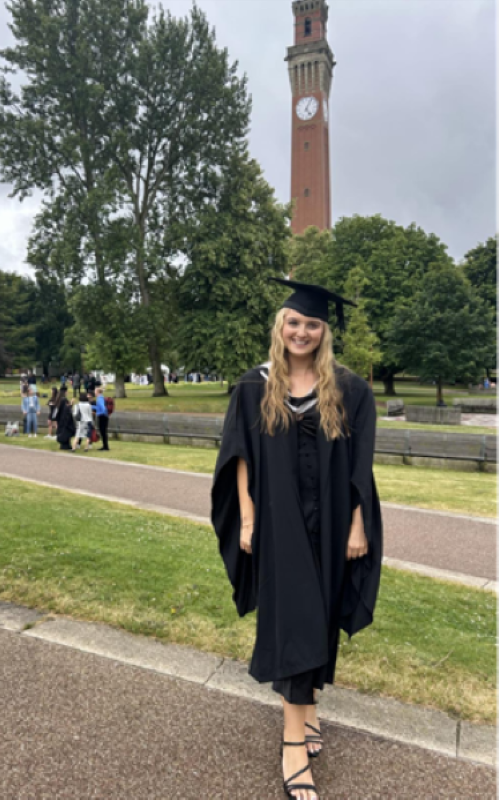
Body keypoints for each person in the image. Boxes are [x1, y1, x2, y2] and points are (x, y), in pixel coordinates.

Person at [211, 280, 383, 800]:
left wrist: (358, 524)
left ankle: (307, 715)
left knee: (322, 615)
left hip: (333, 523)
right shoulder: (253, 387)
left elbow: (360, 465)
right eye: (294, 322)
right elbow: (238, 457)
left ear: (324, 331)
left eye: (312, 324)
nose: (302, 332)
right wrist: (247, 519)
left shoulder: (350, 390)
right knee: (293, 622)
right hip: (278, 523)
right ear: (279, 327)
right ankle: (291, 745)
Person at [92, 386, 110, 451]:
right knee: (103, 432)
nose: (94, 392)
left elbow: (103, 408)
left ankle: (106, 447)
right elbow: (98, 407)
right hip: (104, 416)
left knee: (103, 432)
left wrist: (97, 413)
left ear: (97, 392)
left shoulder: (100, 399)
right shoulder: (100, 398)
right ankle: (105, 446)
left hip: (103, 417)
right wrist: (91, 406)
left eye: (95, 391)